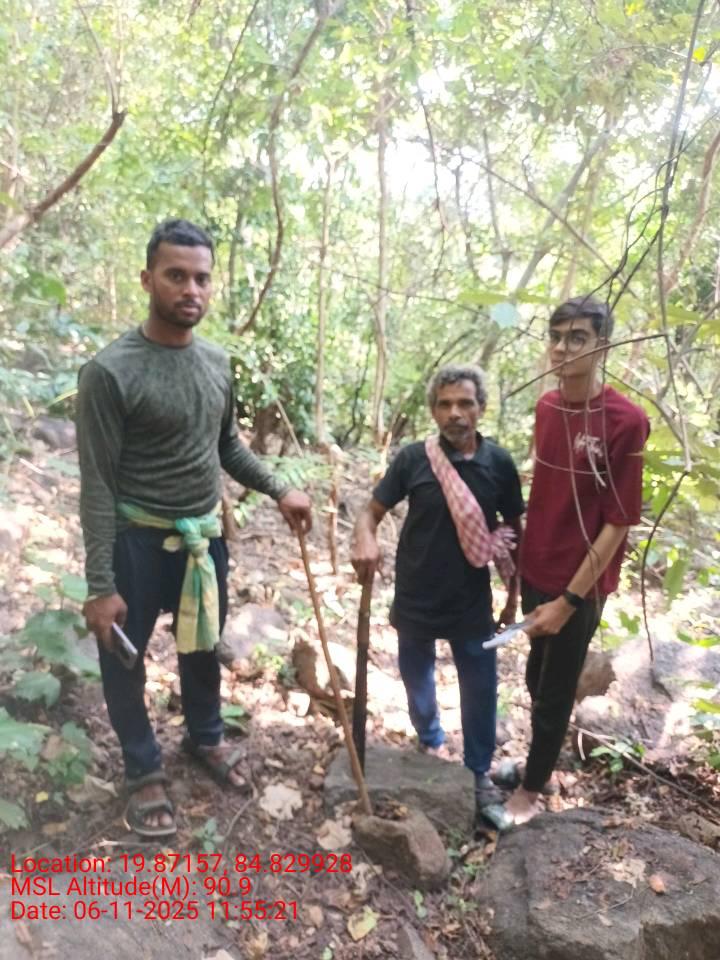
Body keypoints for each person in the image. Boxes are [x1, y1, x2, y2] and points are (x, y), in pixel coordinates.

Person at [77, 218, 312, 837]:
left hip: (202, 542)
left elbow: (225, 445)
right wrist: (100, 585)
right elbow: (96, 483)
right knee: (123, 661)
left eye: (201, 278)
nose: (191, 289)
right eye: (176, 275)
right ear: (147, 278)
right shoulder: (109, 372)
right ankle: (142, 769)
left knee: (203, 645)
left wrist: (279, 487)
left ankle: (204, 736)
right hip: (135, 540)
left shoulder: (215, 362)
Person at [351, 364, 524, 832]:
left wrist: (513, 594)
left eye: (465, 403)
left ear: (481, 408)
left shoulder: (498, 464)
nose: (455, 413)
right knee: (415, 674)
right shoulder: (414, 459)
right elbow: (371, 511)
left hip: (471, 598)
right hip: (416, 592)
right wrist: (364, 538)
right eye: (445, 404)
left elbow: (515, 529)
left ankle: (478, 772)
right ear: (433, 411)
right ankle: (429, 741)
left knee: (480, 684)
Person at [502, 295, 650, 825]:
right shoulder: (547, 406)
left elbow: (619, 521)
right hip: (537, 567)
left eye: (578, 338)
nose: (563, 348)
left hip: (580, 583)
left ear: (602, 346)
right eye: (557, 336)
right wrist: (520, 578)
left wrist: (568, 600)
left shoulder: (625, 421)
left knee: (555, 689)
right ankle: (536, 765)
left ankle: (531, 789)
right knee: (534, 677)